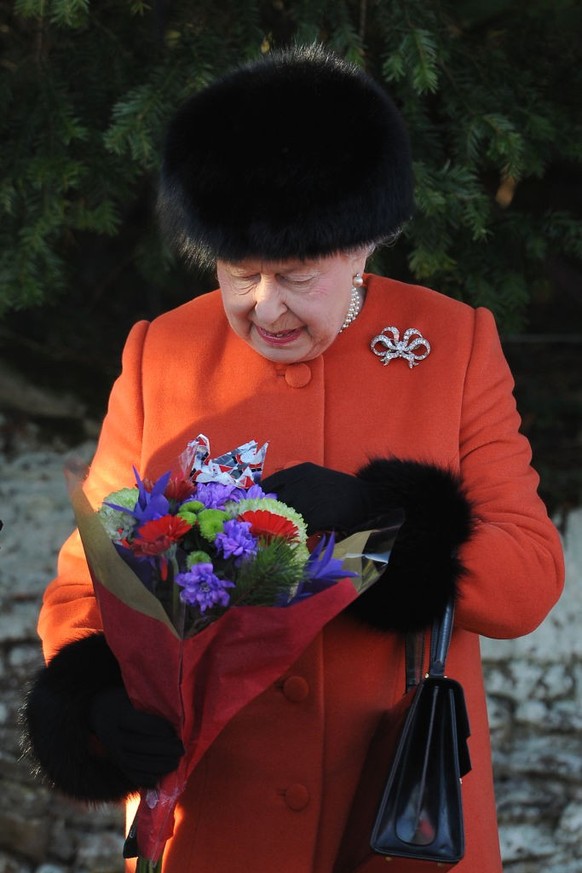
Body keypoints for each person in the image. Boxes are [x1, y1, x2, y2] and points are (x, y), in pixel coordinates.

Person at [24, 45, 564, 873]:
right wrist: (92, 701)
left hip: (393, 819)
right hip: (211, 821)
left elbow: (528, 579)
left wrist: (378, 522)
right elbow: (88, 583)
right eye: (240, 272)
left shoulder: (452, 344)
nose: (262, 305)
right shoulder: (162, 351)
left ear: (365, 243)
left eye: (297, 275)